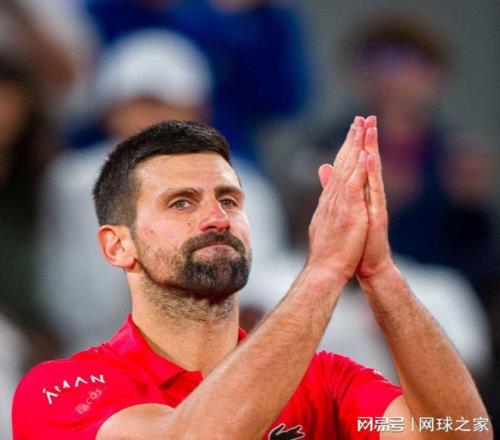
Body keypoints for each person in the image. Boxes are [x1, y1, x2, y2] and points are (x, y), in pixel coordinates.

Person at [13, 118, 491, 438]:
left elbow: (459, 432)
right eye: (181, 202)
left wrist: (379, 273)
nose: (217, 218)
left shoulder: (326, 383)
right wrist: (324, 270)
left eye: (229, 200)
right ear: (118, 245)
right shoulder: (62, 389)